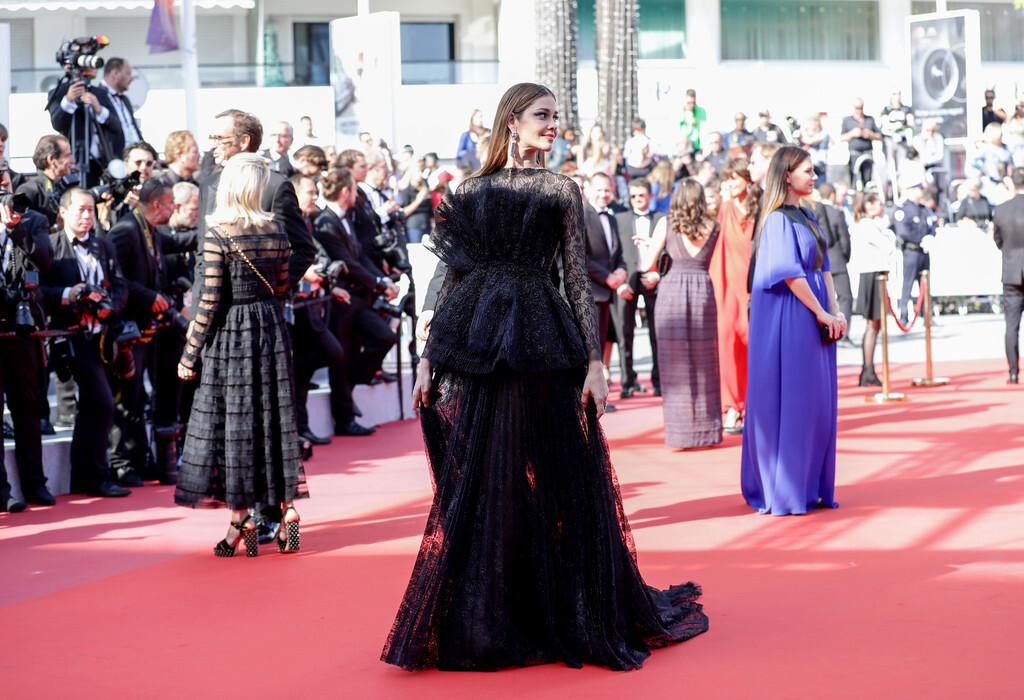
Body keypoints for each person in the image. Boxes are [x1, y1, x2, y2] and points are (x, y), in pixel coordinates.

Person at [383, 82, 708, 672]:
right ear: (512, 120)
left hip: (542, 340)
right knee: (489, 478)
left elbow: (574, 279)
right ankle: (491, 616)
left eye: (557, 116)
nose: (554, 125)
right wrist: (428, 359)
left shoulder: (562, 189)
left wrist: (594, 364)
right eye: (543, 115)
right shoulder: (465, 191)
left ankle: (562, 607)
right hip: (479, 340)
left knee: (556, 474)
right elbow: (453, 277)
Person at [175, 153, 307, 556]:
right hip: (271, 330)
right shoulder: (276, 230)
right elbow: (281, 288)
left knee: (236, 427)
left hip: (232, 336)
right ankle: (287, 511)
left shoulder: (218, 233)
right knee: (274, 421)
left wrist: (190, 353)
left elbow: (209, 300)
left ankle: (241, 520)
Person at [741, 146, 845, 516]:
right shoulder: (776, 220)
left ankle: (808, 485)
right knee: (796, 399)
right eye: (808, 171)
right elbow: (789, 274)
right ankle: (787, 489)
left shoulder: (808, 214)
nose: (815, 177)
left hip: (815, 315)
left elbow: (824, 266)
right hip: (793, 317)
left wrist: (835, 310)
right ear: (788, 175)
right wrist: (821, 312)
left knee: (817, 402)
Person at [39, 188, 131, 498]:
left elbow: (120, 286)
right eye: (81, 209)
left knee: (94, 406)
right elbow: (39, 292)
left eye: (91, 209)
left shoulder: (104, 246)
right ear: (63, 212)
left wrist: (108, 306)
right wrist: (71, 295)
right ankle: (99, 475)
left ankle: (83, 475)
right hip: (70, 338)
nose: (88, 215)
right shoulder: (50, 246)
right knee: (102, 404)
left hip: (103, 337)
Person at [639, 178, 722, 449]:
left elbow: (648, 264)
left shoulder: (667, 223)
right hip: (702, 292)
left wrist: (649, 245)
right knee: (704, 362)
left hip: (672, 291)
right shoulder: (714, 225)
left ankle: (682, 434)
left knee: (674, 364)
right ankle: (707, 431)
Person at [0, 194, 55, 511]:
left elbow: (45, 261)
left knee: (28, 408)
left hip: (22, 329)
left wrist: (15, 229)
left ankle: (36, 484)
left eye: (6, 182)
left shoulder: (33, 221)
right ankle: (1, 490)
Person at [710, 157, 760, 434]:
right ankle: (731, 407)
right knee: (728, 344)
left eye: (734, 178)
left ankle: (753, 405)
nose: (729, 183)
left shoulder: (762, 207)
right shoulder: (725, 208)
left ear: (747, 179)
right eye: (727, 178)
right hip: (728, 287)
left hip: (755, 285)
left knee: (754, 347)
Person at [615, 177, 662, 398]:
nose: (637, 199)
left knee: (657, 333)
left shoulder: (661, 219)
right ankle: (627, 382)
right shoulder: (620, 219)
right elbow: (613, 252)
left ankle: (658, 381)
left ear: (650, 196)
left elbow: (668, 251)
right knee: (625, 333)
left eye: (641, 195)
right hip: (627, 281)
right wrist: (619, 282)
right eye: (633, 196)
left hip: (653, 279)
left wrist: (658, 274)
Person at [849, 192, 894, 387]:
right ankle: (867, 369)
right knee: (873, 325)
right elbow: (887, 247)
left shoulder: (867, 224)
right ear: (868, 205)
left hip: (874, 275)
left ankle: (868, 370)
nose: (881, 207)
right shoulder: (867, 225)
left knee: (874, 326)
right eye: (878, 203)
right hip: (872, 275)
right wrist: (884, 230)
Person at [992, 169, 1024, 384]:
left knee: (1011, 326)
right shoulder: (1001, 209)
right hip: (1012, 272)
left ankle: (1013, 372)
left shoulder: (1001, 210)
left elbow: (998, 241)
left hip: (1012, 273)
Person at [893, 175, 937, 325]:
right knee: (908, 283)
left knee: (925, 284)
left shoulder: (924, 209)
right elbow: (903, 231)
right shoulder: (903, 208)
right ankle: (904, 315)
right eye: (919, 188)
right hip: (911, 251)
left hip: (924, 251)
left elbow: (932, 224)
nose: (922, 191)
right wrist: (919, 240)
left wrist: (930, 237)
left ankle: (927, 315)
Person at [814, 183, 854, 344]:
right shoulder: (836, 212)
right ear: (832, 195)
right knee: (845, 298)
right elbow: (844, 240)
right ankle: (843, 334)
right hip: (836, 260)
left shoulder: (812, 210)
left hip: (819, 261)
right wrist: (845, 257)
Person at [840, 98, 881, 189]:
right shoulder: (847, 120)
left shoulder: (869, 119)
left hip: (867, 154)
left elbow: (879, 136)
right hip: (854, 154)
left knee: (867, 181)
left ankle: (867, 195)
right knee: (855, 181)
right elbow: (841, 138)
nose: (859, 110)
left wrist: (869, 134)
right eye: (857, 108)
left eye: (861, 108)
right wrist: (853, 133)